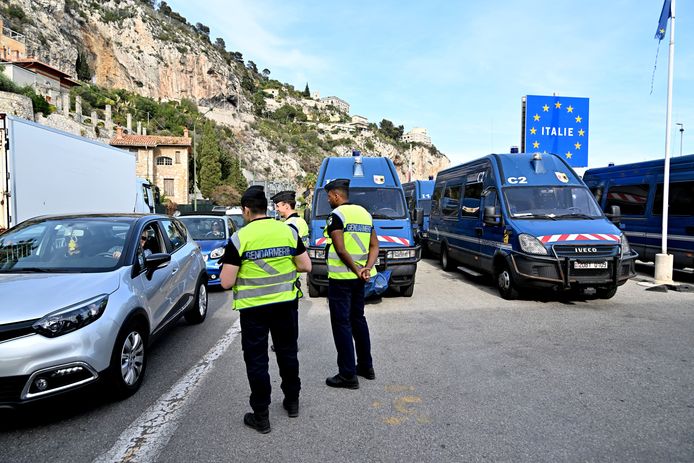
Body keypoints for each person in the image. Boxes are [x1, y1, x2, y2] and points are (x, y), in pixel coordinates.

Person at [220, 185, 312, 434]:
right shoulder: (287, 232)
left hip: (254, 310)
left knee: (257, 361)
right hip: (285, 305)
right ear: (268, 208)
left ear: (246, 210)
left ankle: (261, 415)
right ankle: (292, 402)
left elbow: (226, 282)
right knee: (287, 353)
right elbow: (306, 266)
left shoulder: (240, 238)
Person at [322, 178, 379, 389]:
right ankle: (366, 366)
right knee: (358, 320)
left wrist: (356, 269)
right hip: (359, 280)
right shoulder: (365, 214)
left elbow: (340, 248)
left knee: (342, 325)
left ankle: (347, 375)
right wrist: (366, 268)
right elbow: (375, 246)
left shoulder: (336, 216)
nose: (329, 200)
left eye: (329, 196)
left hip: (341, 279)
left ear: (337, 196)